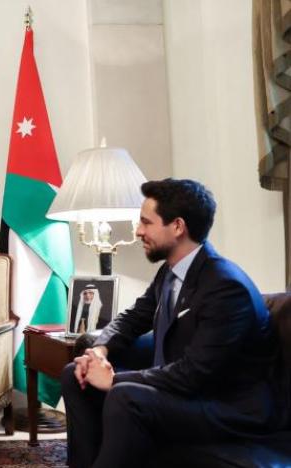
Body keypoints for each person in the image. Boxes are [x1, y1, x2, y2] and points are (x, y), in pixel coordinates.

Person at [61, 179, 282, 468]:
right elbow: (133, 317)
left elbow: (193, 374)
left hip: (227, 407)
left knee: (125, 396)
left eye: (146, 222)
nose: (138, 231)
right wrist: (100, 351)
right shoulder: (170, 270)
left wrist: (113, 379)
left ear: (177, 227)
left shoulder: (226, 287)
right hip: (186, 390)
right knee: (74, 375)